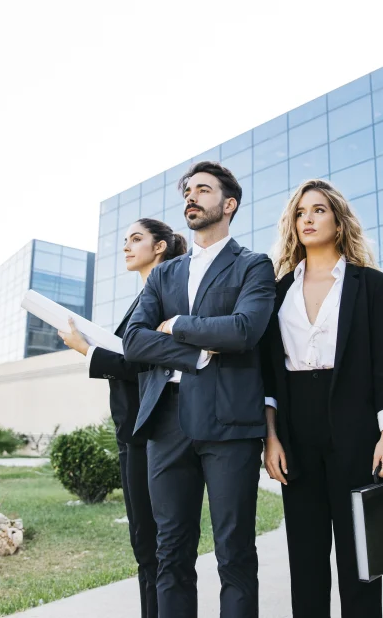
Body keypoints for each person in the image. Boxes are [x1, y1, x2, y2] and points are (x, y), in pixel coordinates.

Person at [122, 161, 276, 618]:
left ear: (228, 204)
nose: (191, 197)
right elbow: (133, 340)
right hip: (166, 424)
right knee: (171, 553)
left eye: (203, 190)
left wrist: (179, 326)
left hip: (229, 423)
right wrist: (196, 353)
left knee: (234, 554)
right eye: (188, 190)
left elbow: (245, 330)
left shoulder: (253, 265)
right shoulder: (164, 275)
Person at [260, 178, 383, 618]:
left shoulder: (372, 286)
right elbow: (269, 376)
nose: (307, 219)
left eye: (319, 210)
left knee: (362, 557)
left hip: (355, 423)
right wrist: (271, 437)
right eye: (300, 213)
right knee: (305, 557)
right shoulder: (276, 291)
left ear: (339, 221)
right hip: (295, 427)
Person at [57, 217, 187, 618]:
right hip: (130, 431)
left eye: (136, 239)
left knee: (155, 543)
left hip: (150, 431)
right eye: (125, 240)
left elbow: (145, 362)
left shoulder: (169, 295)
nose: (126, 247)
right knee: (142, 543)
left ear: (160, 247)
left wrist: (87, 351)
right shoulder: (145, 297)